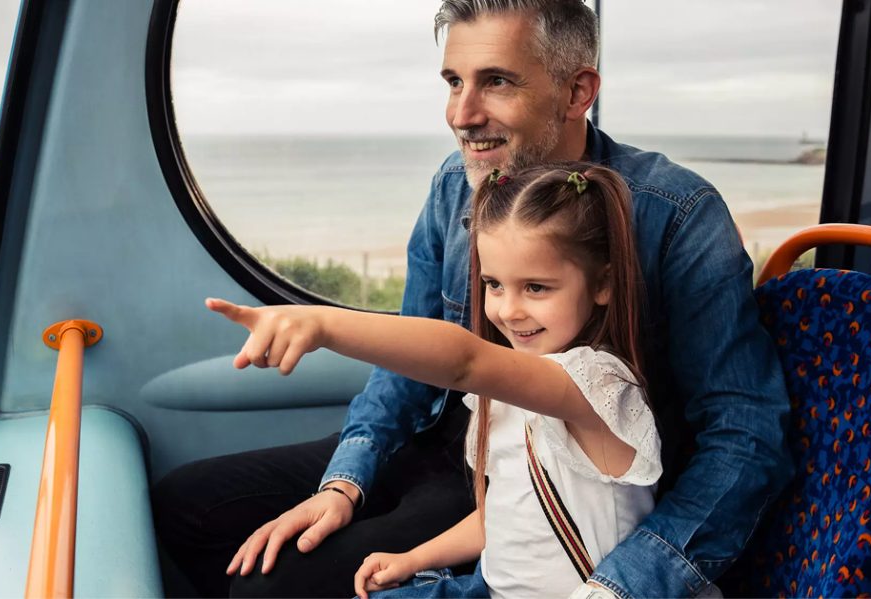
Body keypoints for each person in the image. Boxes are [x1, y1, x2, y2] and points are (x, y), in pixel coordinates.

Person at [152, 2, 793, 598]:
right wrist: (347, 480)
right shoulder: (452, 187)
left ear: (577, 92)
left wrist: (624, 582)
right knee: (187, 505)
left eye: (496, 82)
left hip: (549, 483)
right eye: (453, 82)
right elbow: (411, 356)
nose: (462, 114)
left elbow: (746, 439)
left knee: (271, 583)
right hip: (453, 440)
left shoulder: (677, 215)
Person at [207, 163, 661, 599]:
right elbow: (498, 517)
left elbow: (463, 360)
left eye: (537, 288)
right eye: (494, 285)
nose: (509, 310)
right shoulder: (510, 399)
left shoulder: (600, 385)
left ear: (602, 285)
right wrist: (411, 559)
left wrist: (324, 326)